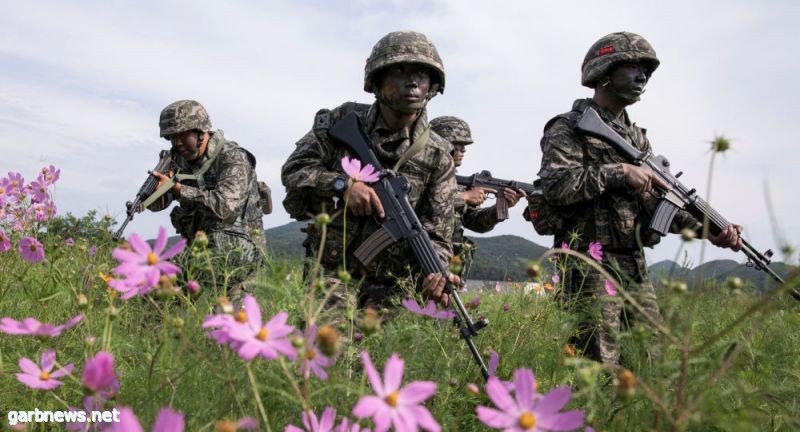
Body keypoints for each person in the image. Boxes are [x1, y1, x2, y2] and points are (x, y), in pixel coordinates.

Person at [537, 32, 742, 365]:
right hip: (588, 264)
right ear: (604, 71)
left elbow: (658, 207)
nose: (641, 76)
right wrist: (620, 172)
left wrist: (710, 229)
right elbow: (557, 186)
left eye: (645, 69)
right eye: (631, 66)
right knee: (596, 369)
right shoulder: (569, 128)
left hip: (632, 263)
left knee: (648, 365)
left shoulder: (637, 140)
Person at [281, 31, 457, 309]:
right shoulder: (344, 121)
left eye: (421, 74)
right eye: (399, 71)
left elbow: (438, 233)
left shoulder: (438, 156)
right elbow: (294, 170)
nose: (412, 82)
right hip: (332, 272)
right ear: (376, 80)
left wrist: (437, 270)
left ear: (432, 85)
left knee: (391, 351)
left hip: (394, 285)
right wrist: (343, 185)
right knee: (331, 346)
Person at [149, 99, 269, 298]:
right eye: (171, 137)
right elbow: (155, 206)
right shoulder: (177, 158)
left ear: (201, 131)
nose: (177, 143)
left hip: (239, 253)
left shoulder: (233, 157)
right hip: (199, 250)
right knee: (154, 286)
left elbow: (226, 207)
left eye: (182, 135)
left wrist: (180, 190)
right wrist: (155, 191)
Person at [429, 116, 525, 283]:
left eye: (465, 147)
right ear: (441, 143)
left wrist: (498, 209)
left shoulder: (457, 183)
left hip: (451, 263)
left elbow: (475, 223)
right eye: (458, 145)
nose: (463, 151)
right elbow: (413, 205)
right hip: (424, 255)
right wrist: (464, 197)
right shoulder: (420, 174)